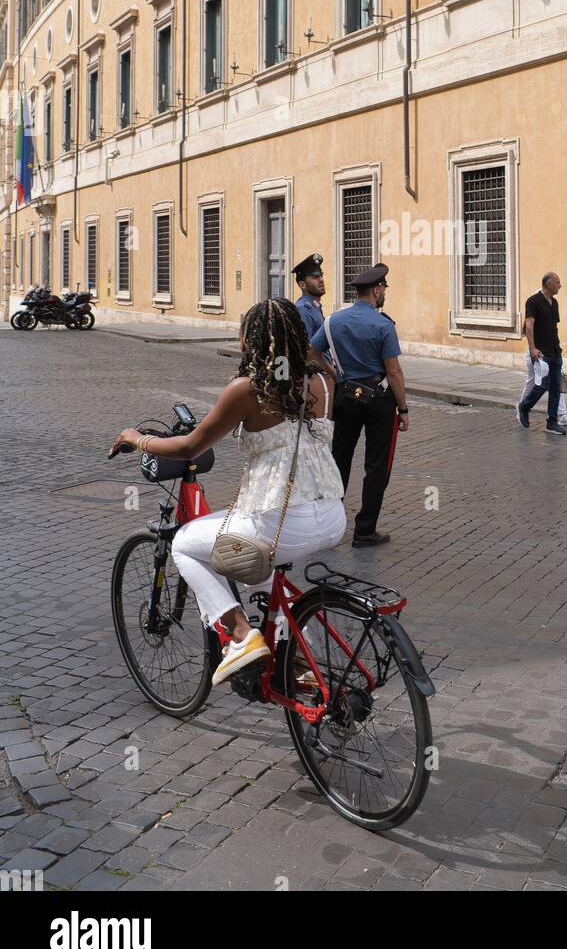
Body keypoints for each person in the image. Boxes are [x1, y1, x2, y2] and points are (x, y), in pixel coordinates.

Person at [110, 298, 346, 686]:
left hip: (282, 520)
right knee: (249, 560)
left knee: (185, 543)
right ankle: (297, 662)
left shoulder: (248, 390)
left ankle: (240, 636)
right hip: (331, 514)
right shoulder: (323, 381)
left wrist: (139, 439)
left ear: (248, 340)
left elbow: (190, 447)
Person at [307, 263, 409, 548]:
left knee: (338, 460)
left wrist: (332, 372)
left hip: (345, 398)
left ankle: (329, 525)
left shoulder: (333, 322)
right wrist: (403, 409)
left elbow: (311, 353)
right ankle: (364, 530)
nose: (384, 292)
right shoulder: (383, 325)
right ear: (377, 290)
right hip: (379, 401)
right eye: (384, 289)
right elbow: (394, 371)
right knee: (377, 466)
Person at [517, 271, 566, 435]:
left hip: (555, 351)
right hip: (541, 353)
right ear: (548, 284)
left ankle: (551, 423)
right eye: (557, 283)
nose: (560, 286)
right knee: (541, 385)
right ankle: (524, 407)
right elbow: (529, 326)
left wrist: (558, 349)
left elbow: (553, 327)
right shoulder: (533, 301)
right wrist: (532, 348)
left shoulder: (555, 303)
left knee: (555, 388)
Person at [293, 253, 327, 345]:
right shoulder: (303, 310)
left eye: (321, 276)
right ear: (302, 284)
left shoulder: (315, 305)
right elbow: (306, 350)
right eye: (315, 277)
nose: (321, 280)